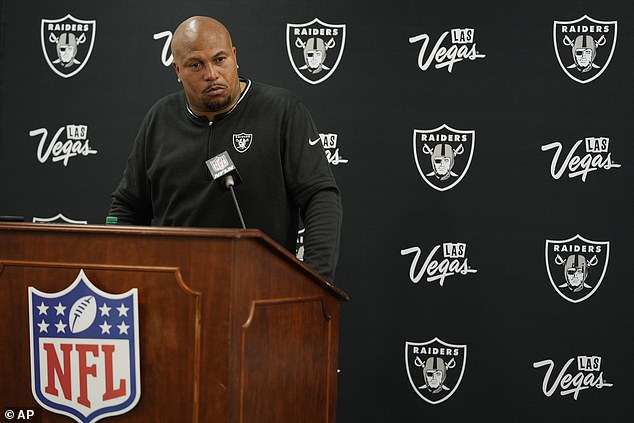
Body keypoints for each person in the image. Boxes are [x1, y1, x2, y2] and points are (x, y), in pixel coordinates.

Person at [108, 16, 342, 281]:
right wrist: (121, 272)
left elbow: (319, 196)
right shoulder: (160, 118)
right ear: (177, 70)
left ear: (234, 56)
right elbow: (127, 207)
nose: (211, 74)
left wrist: (315, 281)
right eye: (196, 65)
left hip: (261, 287)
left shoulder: (280, 110)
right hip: (174, 291)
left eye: (220, 60)